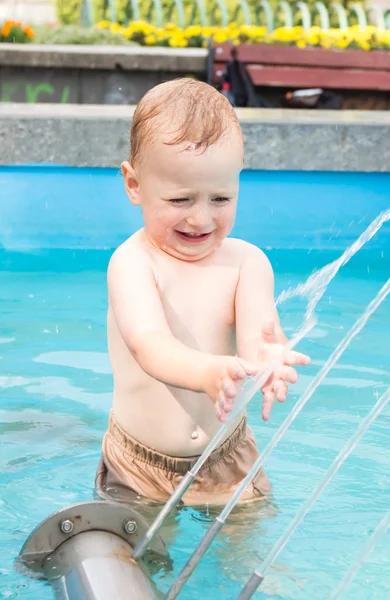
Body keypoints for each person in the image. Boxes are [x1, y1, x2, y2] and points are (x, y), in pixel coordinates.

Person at [95, 77, 310, 509]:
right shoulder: (133, 263)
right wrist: (208, 372)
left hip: (227, 456)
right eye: (180, 199)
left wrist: (269, 358)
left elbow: (257, 338)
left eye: (220, 198)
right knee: (140, 563)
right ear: (134, 185)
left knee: (247, 545)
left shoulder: (246, 263)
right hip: (140, 465)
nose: (200, 218)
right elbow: (149, 346)